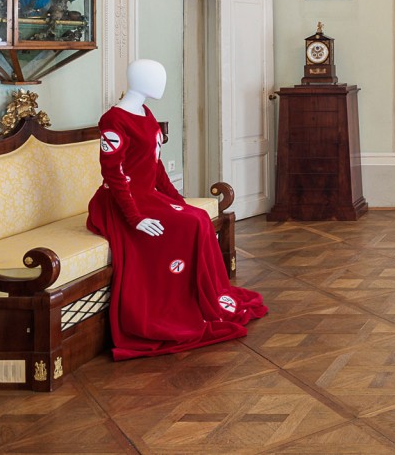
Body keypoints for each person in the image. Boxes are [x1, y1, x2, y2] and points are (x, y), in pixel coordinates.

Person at [87, 58, 266, 359]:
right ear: (137, 80)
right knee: (190, 224)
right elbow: (114, 174)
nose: (162, 83)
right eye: (156, 77)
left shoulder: (145, 112)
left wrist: (177, 199)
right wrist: (135, 218)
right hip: (119, 201)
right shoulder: (113, 120)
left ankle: (205, 298)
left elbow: (155, 165)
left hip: (146, 195)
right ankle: (177, 307)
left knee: (198, 217)